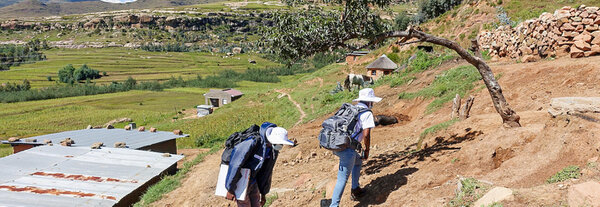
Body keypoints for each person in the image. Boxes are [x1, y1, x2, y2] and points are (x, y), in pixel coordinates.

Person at [330, 88, 381, 207]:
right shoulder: (367, 113)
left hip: (337, 144)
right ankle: (334, 205)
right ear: (369, 101)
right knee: (342, 179)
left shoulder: (352, 109)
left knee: (357, 161)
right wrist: (367, 150)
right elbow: (366, 134)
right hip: (347, 149)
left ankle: (355, 189)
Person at [225, 122, 294, 207]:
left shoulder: (272, 151)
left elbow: (266, 172)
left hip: (253, 182)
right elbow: (235, 164)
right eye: (279, 144)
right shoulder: (252, 142)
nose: (280, 146)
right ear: (272, 141)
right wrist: (230, 189)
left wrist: (263, 192)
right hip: (240, 181)